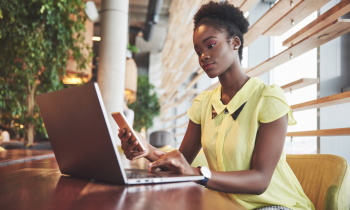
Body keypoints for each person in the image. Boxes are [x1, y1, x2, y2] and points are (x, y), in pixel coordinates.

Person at [118, 1, 315, 210]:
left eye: (210, 45)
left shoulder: (268, 98)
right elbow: (181, 162)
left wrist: (197, 174)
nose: (203, 56)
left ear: (235, 43)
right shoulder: (204, 104)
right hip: (225, 205)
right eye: (198, 51)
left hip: (274, 205)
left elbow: (261, 180)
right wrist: (145, 148)